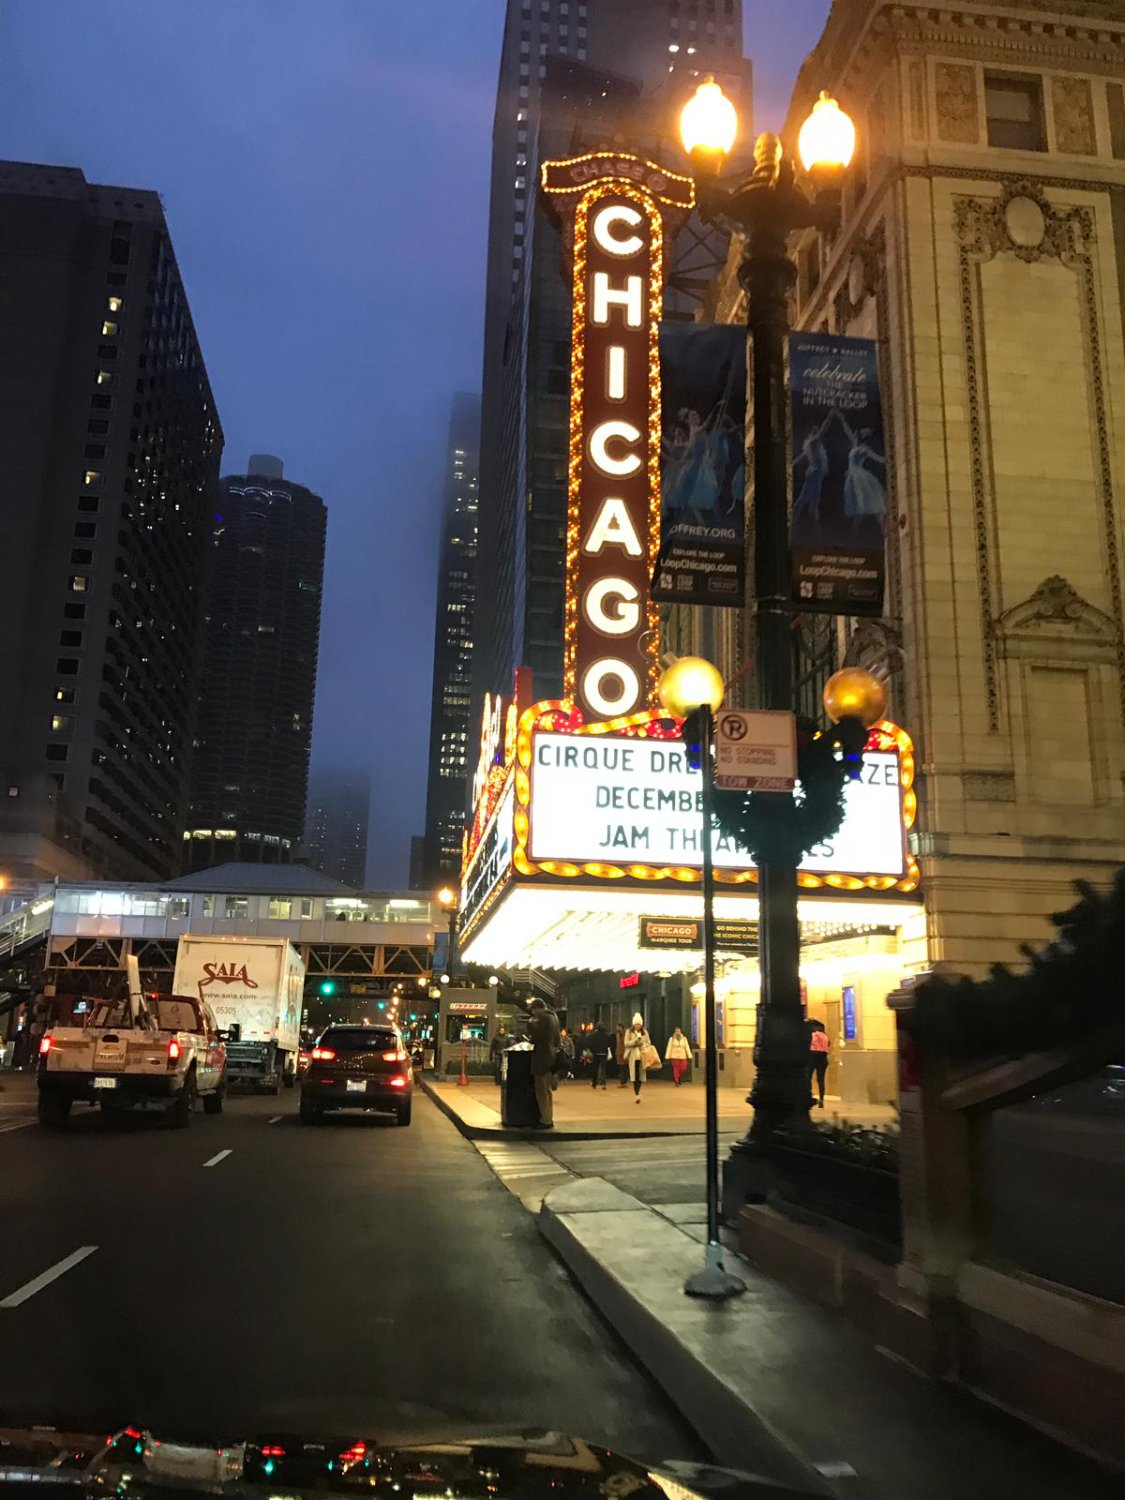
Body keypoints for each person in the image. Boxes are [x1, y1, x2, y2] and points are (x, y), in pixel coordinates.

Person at [527, 998, 561, 1128]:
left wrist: (530, 1025)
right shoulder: (554, 1017)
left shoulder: (544, 1019)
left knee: (541, 1090)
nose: (533, 1013)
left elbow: (536, 1037)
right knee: (547, 1090)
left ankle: (545, 1119)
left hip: (542, 1058)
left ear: (540, 1008)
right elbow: (557, 1039)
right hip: (551, 1056)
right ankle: (548, 1117)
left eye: (534, 1010)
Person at [622, 1013, 652, 1103]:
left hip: (642, 1056)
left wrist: (643, 1044)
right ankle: (637, 1094)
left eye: (638, 1024)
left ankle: (638, 1091)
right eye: (635, 1024)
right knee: (635, 1076)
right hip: (633, 1056)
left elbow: (649, 1043)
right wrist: (635, 1041)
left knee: (641, 1076)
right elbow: (626, 1043)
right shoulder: (629, 1032)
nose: (637, 1026)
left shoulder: (645, 1032)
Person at [807, 1017, 830, 1107]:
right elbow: (828, 1045)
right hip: (823, 1058)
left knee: (808, 1078)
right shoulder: (825, 1036)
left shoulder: (811, 1035)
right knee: (821, 1079)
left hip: (812, 1057)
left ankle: (809, 1096)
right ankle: (821, 1099)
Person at [586, 1022, 611, 1089]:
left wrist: (592, 1051)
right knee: (603, 1069)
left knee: (595, 1069)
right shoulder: (607, 1035)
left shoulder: (593, 1035)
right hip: (604, 1053)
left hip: (596, 1054)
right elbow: (609, 1044)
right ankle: (603, 1083)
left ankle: (594, 1083)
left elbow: (590, 1044)